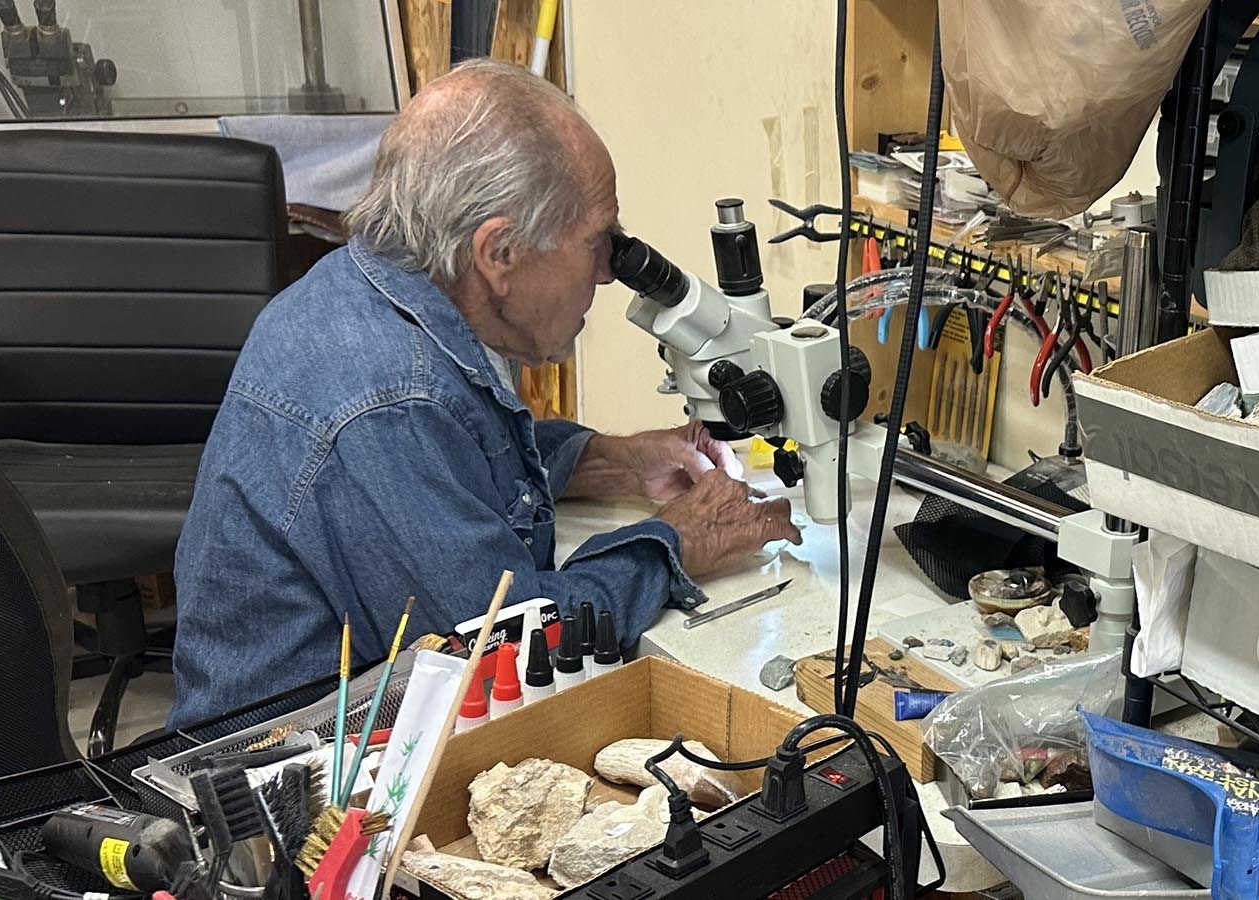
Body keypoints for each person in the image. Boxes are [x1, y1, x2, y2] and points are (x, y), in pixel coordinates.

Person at [168, 59, 802, 727]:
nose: (611, 274)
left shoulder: (379, 290)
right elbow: (502, 650)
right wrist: (676, 542)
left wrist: (613, 460)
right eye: (596, 243)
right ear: (498, 254)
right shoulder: (388, 400)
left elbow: (461, 453)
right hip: (304, 775)